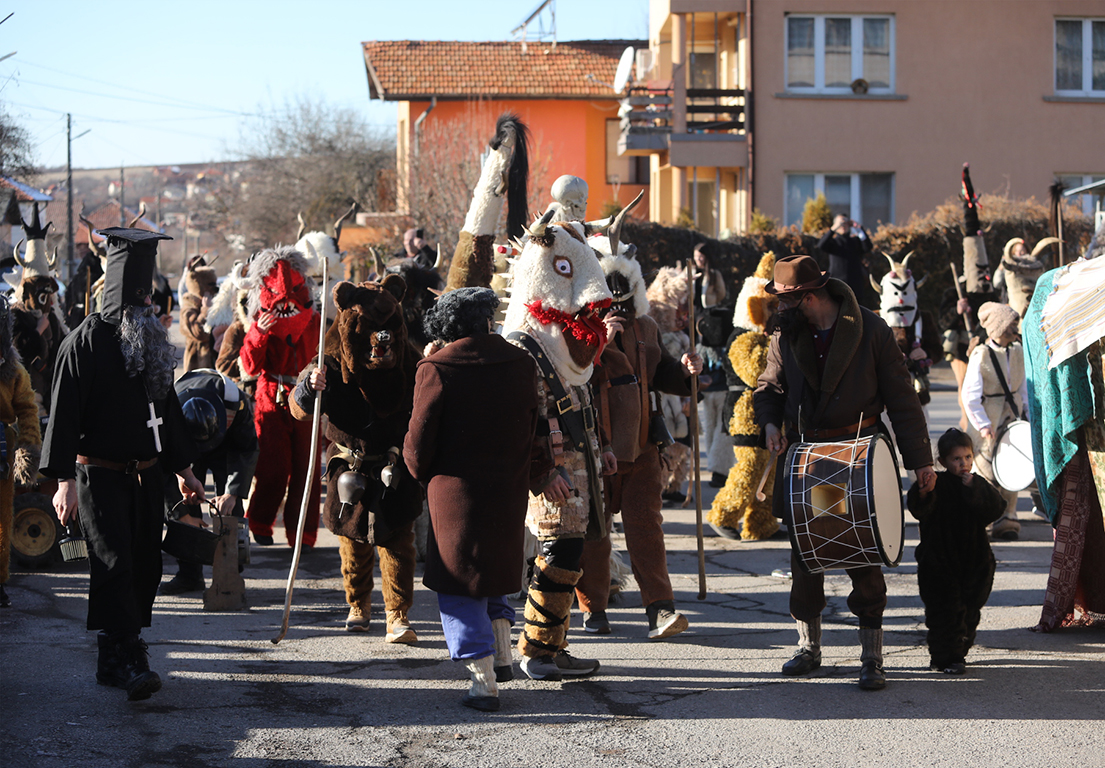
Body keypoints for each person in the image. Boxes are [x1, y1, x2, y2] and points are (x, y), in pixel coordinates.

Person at [754, 254, 935, 691]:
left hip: (861, 456)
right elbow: (770, 385)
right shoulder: (786, 331)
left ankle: (872, 657)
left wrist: (920, 460)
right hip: (808, 458)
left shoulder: (870, 328)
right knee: (806, 559)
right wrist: (771, 422)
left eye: (785, 300)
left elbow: (902, 397)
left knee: (864, 556)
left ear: (808, 296)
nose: (778, 308)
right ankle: (808, 647)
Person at [41, 227, 205, 702]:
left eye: (148, 302)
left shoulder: (152, 340)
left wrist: (184, 469)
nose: (148, 311)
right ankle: (131, 657)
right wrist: (64, 481)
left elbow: (167, 408)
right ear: (116, 298)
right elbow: (65, 413)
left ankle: (113, 658)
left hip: (147, 476)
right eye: (138, 305)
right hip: (101, 477)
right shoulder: (84, 343)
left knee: (145, 564)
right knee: (114, 565)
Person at [403, 287, 538, 711]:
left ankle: (483, 682)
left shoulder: (437, 367)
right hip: (509, 488)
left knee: (459, 583)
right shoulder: (521, 362)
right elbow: (534, 427)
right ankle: (501, 656)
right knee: (496, 572)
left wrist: (416, 471)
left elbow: (419, 444)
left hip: (456, 495)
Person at [578, 214, 703, 639]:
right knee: (594, 534)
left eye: (623, 291)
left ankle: (660, 609)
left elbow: (662, 373)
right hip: (594, 450)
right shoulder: (576, 329)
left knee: (646, 530)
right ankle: (594, 608)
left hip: (643, 449)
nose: (617, 303)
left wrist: (688, 371)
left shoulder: (647, 326)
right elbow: (574, 376)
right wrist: (598, 341)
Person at [501, 209, 613, 682]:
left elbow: (582, 402)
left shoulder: (562, 346)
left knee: (569, 554)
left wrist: (601, 444)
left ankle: (553, 646)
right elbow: (521, 421)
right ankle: (538, 651)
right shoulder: (522, 345)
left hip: (579, 466)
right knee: (556, 553)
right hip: (553, 473)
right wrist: (544, 472)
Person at [293, 277, 423, 644]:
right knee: (353, 541)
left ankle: (398, 615)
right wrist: (308, 387)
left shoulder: (411, 361)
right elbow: (298, 410)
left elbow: (428, 399)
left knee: (399, 540)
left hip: (395, 463)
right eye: (372, 329)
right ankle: (358, 605)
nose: (380, 340)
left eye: (387, 330)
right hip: (349, 466)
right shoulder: (329, 360)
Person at [240, 246, 322, 548]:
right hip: (271, 396)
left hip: (308, 397)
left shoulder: (314, 321)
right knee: (272, 466)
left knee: (307, 468)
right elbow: (250, 367)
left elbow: (323, 356)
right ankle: (260, 522)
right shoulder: (261, 319)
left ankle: (303, 531)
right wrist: (258, 335)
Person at [907, 428, 1005, 674]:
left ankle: (959, 651)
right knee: (944, 612)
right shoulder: (935, 485)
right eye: (956, 459)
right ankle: (943, 657)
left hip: (974, 561)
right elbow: (919, 509)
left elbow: (995, 508)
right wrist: (924, 492)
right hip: (939, 561)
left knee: (970, 609)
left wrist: (975, 489)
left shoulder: (976, 483)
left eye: (968, 458)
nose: (964, 464)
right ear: (943, 461)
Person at [160, 368, 259, 595]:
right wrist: (181, 514)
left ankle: (229, 572)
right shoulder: (169, 408)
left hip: (227, 446)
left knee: (229, 505)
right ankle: (189, 575)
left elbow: (246, 449)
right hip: (185, 447)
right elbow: (162, 465)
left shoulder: (234, 401)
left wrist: (233, 493)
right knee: (185, 503)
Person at [961, 302, 1026, 540]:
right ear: (998, 327)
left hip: (1013, 414)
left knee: (1013, 463)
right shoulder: (982, 354)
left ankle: (1008, 516)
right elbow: (970, 394)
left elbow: (1023, 386)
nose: (1014, 328)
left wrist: (1025, 411)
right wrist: (982, 423)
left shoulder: (1018, 351)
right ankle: (984, 517)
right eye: (1010, 324)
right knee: (985, 466)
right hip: (989, 415)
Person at [0, 294, 42, 608]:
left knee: (2, 520)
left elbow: (27, 408)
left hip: (1, 448)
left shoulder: (12, 368)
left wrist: (27, 447)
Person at [817, 214, 873, 304]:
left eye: (845, 223)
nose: (843, 226)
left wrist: (858, 228)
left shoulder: (855, 241)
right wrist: (833, 228)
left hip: (855, 285)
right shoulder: (833, 242)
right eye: (840, 223)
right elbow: (821, 245)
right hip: (836, 284)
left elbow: (868, 247)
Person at [178, 256, 219, 371]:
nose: (213, 290)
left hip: (213, 361)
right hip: (197, 364)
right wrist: (205, 310)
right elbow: (199, 333)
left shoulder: (212, 303)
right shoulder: (188, 306)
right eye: (211, 286)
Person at [691, 243, 726, 309]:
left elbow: (721, 293)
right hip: (693, 308)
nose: (697, 259)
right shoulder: (690, 271)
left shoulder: (713, 274)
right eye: (695, 256)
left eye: (700, 256)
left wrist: (712, 300)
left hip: (708, 309)